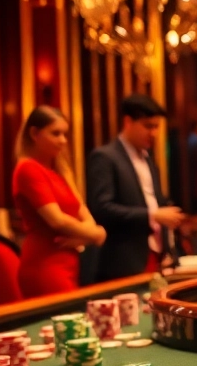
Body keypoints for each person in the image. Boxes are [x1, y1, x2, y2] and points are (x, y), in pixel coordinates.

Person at [88, 94, 185, 281]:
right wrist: (153, 215)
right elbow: (102, 208)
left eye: (156, 127)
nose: (154, 133)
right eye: (148, 126)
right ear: (128, 122)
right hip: (122, 261)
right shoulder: (105, 157)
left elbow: (154, 201)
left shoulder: (148, 159)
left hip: (154, 257)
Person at [12, 106, 107, 297]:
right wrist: (96, 234)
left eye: (65, 134)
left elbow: (83, 213)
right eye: (56, 134)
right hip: (45, 265)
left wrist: (89, 234)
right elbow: (57, 220)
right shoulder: (28, 168)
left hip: (69, 262)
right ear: (34, 133)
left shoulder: (60, 170)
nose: (63, 141)